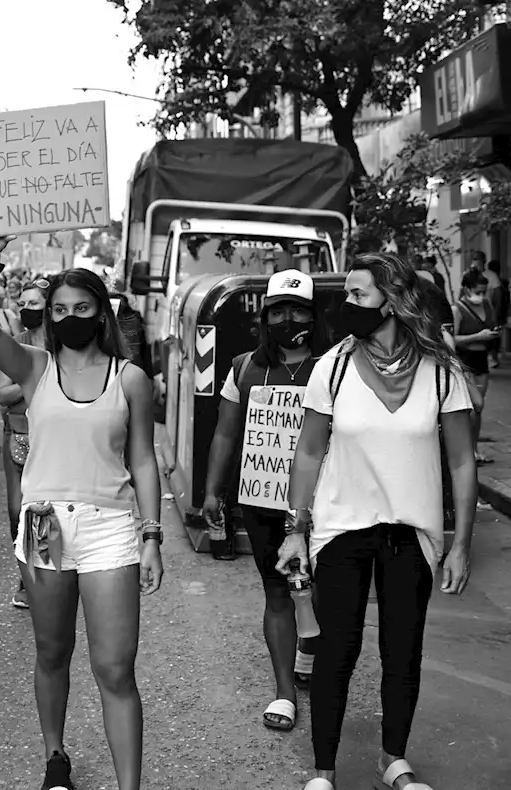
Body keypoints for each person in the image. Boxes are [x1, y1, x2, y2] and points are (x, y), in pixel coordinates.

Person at [0, 216, 165, 790]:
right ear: (47, 317)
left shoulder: (130, 377)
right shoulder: (33, 367)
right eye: (60, 309)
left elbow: (144, 461)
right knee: (52, 650)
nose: (70, 318)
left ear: (101, 313)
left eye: (83, 308)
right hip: (43, 523)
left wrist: (152, 534)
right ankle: (55, 757)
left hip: (111, 527)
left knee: (114, 667)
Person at [279, 253, 476, 790]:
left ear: (392, 300)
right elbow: (309, 452)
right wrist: (296, 526)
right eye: (346, 295)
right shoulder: (334, 367)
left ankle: (394, 760)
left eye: (358, 295)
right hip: (343, 528)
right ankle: (323, 772)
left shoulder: (442, 372)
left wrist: (461, 545)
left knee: (403, 651)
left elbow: (460, 459)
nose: (347, 305)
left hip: (412, 533)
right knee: (337, 650)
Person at [200, 271, 326, 732]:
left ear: (312, 316)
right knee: (278, 590)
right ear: (264, 316)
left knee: (322, 590)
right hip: (262, 501)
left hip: (324, 504)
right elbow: (226, 432)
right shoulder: (243, 368)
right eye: (277, 311)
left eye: (296, 311)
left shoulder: (333, 366)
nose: (286, 318)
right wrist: (212, 490)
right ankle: (284, 693)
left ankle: (309, 652)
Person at [0, 278, 49, 608]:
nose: (27, 309)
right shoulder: (16, 343)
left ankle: (41, 580)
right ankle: (25, 576)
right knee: (18, 511)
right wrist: (37, 379)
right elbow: (3, 393)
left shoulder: (64, 345)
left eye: (35, 304)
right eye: (23, 304)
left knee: (44, 511)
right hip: (17, 434)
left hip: (53, 436)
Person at [453, 270, 498, 465]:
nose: (481, 295)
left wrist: (493, 335)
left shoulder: (487, 305)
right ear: (467, 289)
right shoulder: (458, 310)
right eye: (478, 291)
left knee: (479, 408)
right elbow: (452, 339)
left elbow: (493, 323)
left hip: (481, 358)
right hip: (465, 359)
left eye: (484, 291)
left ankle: (474, 450)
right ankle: (465, 451)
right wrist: (477, 337)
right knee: (472, 406)